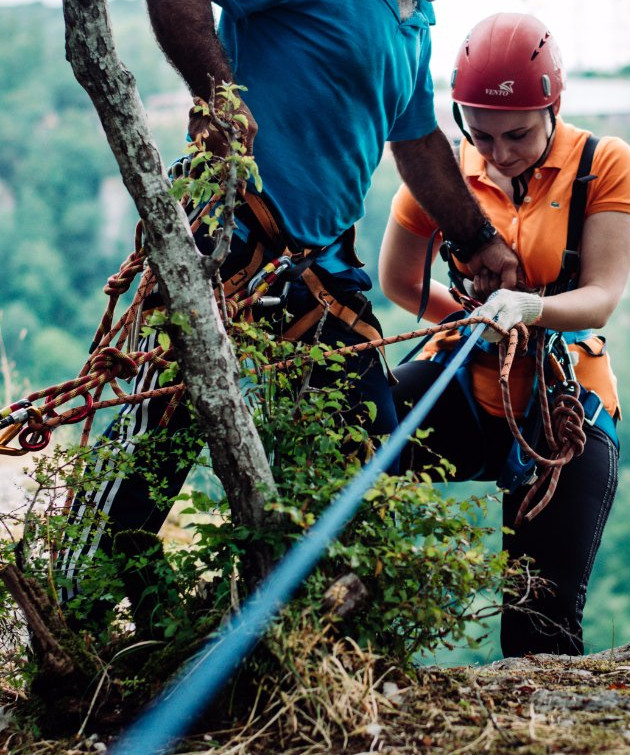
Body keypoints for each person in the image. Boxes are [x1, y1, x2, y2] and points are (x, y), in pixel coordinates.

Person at [57, 0, 520, 627]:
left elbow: (415, 141)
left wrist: (476, 240)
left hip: (320, 266)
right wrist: (219, 97)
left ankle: (318, 654)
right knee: (157, 441)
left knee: (362, 455)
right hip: (232, 228)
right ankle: (71, 633)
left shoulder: (415, 23)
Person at [378, 12, 630, 657]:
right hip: (467, 386)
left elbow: (600, 298)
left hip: (564, 401)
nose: (498, 153)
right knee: (352, 445)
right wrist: (468, 321)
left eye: (518, 134)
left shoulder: (601, 164)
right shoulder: (445, 170)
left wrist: (526, 311)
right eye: (482, 134)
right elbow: (400, 280)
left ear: (554, 107)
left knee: (538, 627)